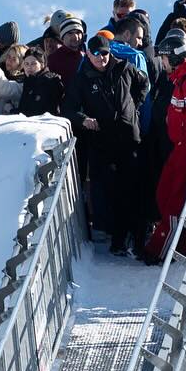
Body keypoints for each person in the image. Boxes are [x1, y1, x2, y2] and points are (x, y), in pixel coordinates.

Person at [67, 32, 150, 256]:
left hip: (128, 137)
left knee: (132, 188)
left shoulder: (124, 68)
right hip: (102, 140)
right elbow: (69, 108)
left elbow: (144, 84)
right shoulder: (83, 78)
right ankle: (114, 237)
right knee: (107, 190)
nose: (101, 58)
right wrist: (84, 119)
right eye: (96, 54)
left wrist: (134, 107)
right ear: (88, 55)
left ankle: (134, 238)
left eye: (104, 53)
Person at [144, 40, 186, 261]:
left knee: (175, 199)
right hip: (181, 148)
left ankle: (162, 250)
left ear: (174, 59)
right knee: (164, 193)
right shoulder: (181, 80)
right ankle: (178, 244)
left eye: (164, 58)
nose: (162, 62)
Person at [46, 17, 87, 85]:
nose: (75, 37)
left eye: (78, 32)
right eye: (70, 33)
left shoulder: (87, 57)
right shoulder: (53, 59)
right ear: (62, 37)